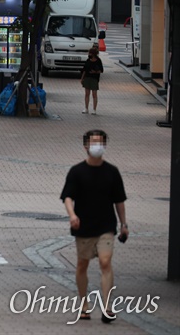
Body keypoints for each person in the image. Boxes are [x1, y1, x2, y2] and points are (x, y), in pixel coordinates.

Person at [60, 129, 128, 323]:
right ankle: (84, 306)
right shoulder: (77, 171)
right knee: (82, 264)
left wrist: (124, 224)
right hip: (83, 225)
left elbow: (119, 200)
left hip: (106, 225)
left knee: (105, 262)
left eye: (100, 142)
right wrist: (72, 215)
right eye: (93, 142)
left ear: (105, 145)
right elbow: (67, 197)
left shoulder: (112, 172)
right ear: (86, 146)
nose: (97, 145)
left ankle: (107, 307)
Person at [80, 46, 104, 115]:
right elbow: (84, 70)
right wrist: (82, 78)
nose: (89, 54)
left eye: (90, 53)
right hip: (87, 78)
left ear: (93, 54)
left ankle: (94, 109)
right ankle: (86, 108)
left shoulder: (98, 61)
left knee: (94, 94)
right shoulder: (88, 60)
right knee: (87, 94)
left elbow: (101, 70)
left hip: (94, 78)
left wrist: (95, 72)